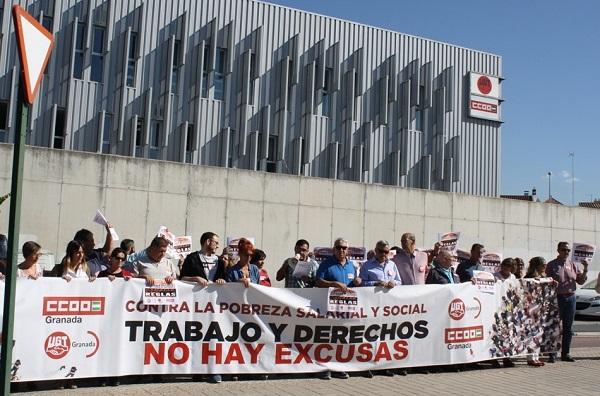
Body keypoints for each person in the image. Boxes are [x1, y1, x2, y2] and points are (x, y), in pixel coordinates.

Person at [315, 237, 361, 380]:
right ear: (334, 249)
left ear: (348, 250)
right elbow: (318, 281)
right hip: (329, 307)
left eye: (344, 248)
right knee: (327, 337)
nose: (342, 250)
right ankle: (324, 368)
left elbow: (352, 285)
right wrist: (334, 284)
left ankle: (338, 367)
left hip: (346, 309)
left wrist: (357, 282)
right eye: (339, 247)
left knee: (342, 337)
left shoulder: (351, 266)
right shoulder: (326, 264)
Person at [546, 242, 588, 363]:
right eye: (564, 250)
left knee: (568, 328)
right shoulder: (552, 265)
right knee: (554, 327)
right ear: (558, 250)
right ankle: (552, 354)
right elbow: (547, 281)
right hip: (557, 298)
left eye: (568, 250)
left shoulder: (573, 264)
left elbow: (580, 281)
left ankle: (566, 353)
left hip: (571, 297)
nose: (566, 252)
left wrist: (585, 269)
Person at [523, 256, 548, 367]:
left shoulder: (543, 277)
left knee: (539, 333)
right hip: (531, 308)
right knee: (531, 333)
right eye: (543, 265)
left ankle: (536, 356)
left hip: (540, 308)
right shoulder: (529, 277)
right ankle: (530, 357)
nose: (545, 267)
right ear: (537, 265)